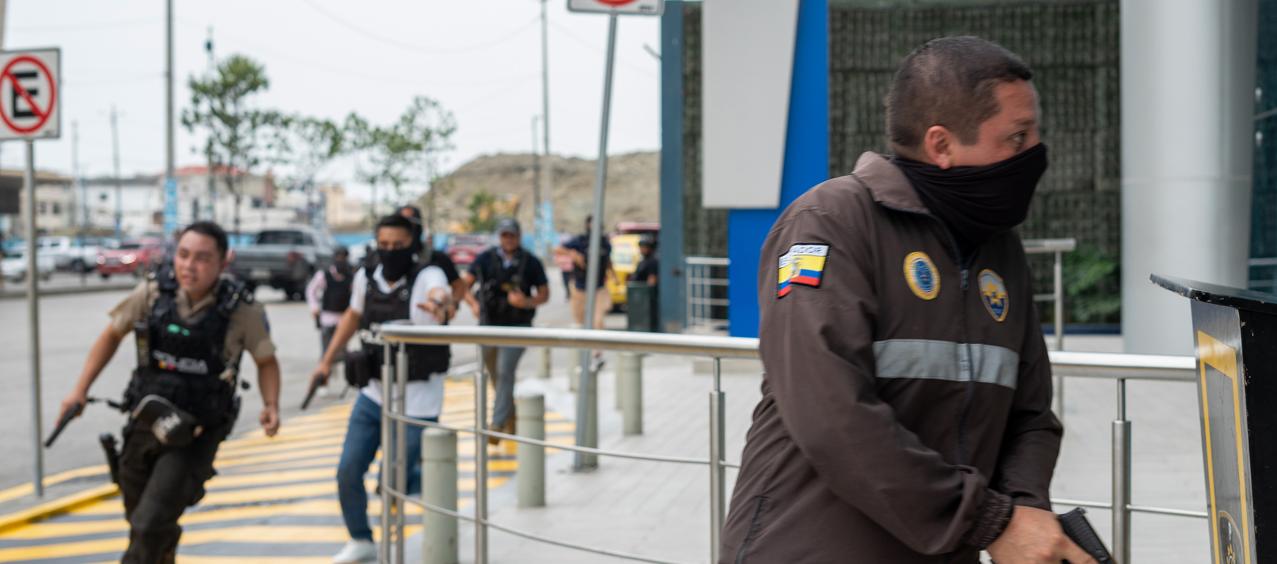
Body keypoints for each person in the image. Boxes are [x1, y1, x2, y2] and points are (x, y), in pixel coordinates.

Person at [719, 37, 1094, 564]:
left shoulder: (998, 247)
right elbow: (831, 413)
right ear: (941, 145)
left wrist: (1024, 513)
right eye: (1016, 137)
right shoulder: (828, 223)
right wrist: (993, 521)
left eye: (1035, 135)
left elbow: (1029, 413)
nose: (1033, 154)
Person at [56, 221, 281, 563]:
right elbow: (111, 335)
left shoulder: (242, 310)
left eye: (203, 258)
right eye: (184, 255)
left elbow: (266, 360)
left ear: (224, 262)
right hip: (144, 423)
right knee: (141, 522)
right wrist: (79, 391)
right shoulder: (151, 294)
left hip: (194, 433)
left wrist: (271, 405)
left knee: (148, 525)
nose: (189, 266)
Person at [309, 214, 454, 563]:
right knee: (348, 470)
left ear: (412, 246)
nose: (389, 252)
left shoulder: (426, 276)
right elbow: (351, 317)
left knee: (395, 476)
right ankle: (361, 538)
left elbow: (442, 294)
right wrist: (327, 361)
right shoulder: (366, 276)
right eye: (383, 245)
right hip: (373, 393)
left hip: (418, 400)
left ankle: (408, 491)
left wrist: (440, 304)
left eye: (398, 246)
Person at [460, 218, 550, 444]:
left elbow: (544, 294)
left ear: (519, 236)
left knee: (504, 370)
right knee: (495, 374)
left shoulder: (530, 262)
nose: (508, 239)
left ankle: (497, 423)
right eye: (504, 235)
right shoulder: (485, 259)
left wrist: (526, 302)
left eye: (512, 235)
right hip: (489, 325)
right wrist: (474, 304)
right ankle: (510, 415)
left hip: (518, 327)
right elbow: (463, 286)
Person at [305, 246, 354, 394]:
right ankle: (323, 383)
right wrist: (314, 308)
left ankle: (349, 381)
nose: (341, 261)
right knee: (326, 352)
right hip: (327, 319)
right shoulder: (324, 275)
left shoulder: (351, 276)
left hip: (344, 321)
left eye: (343, 257)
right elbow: (311, 291)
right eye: (338, 257)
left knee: (344, 353)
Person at [555, 215, 612, 331]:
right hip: (580, 286)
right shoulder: (580, 240)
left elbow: (608, 261)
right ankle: (583, 349)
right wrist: (574, 255)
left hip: (598, 287)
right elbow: (558, 249)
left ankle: (597, 349)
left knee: (598, 322)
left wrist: (613, 275)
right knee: (580, 323)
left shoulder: (605, 243)